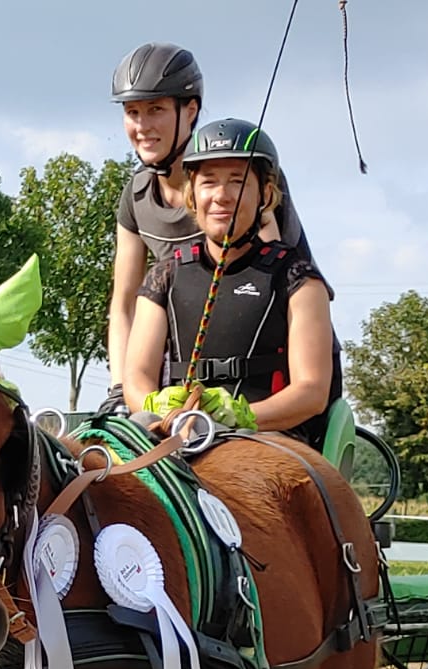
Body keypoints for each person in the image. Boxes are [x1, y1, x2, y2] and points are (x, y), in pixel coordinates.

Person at [106, 42, 316, 395]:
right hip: (188, 370)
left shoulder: (241, 174)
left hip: (274, 367)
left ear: (190, 111)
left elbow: (262, 288)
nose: (142, 126)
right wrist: (120, 388)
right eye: (132, 112)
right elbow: (125, 303)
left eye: (155, 109)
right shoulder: (136, 196)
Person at [122, 119, 336, 447]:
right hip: (176, 433)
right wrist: (156, 406)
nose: (221, 196)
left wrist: (240, 416)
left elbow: (312, 392)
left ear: (265, 194)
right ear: (192, 195)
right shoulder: (164, 276)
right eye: (208, 182)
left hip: (268, 440)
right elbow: (137, 375)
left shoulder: (298, 280)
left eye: (238, 182)